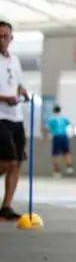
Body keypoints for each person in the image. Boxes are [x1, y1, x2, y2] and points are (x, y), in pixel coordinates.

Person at [0, 20, 29, 221]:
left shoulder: (15, 60)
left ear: (11, 38)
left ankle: (6, 207)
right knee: (7, 162)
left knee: (17, 163)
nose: (2, 40)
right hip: (0, 117)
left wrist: (22, 91)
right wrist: (4, 99)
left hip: (16, 117)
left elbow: (18, 84)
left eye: (5, 36)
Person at [46, 105, 74, 177]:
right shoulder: (64, 118)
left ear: (53, 111)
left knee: (55, 154)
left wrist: (47, 135)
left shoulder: (52, 119)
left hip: (57, 136)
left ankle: (57, 171)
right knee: (66, 152)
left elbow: (47, 128)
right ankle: (69, 167)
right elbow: (70, 126)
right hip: (64, 136)